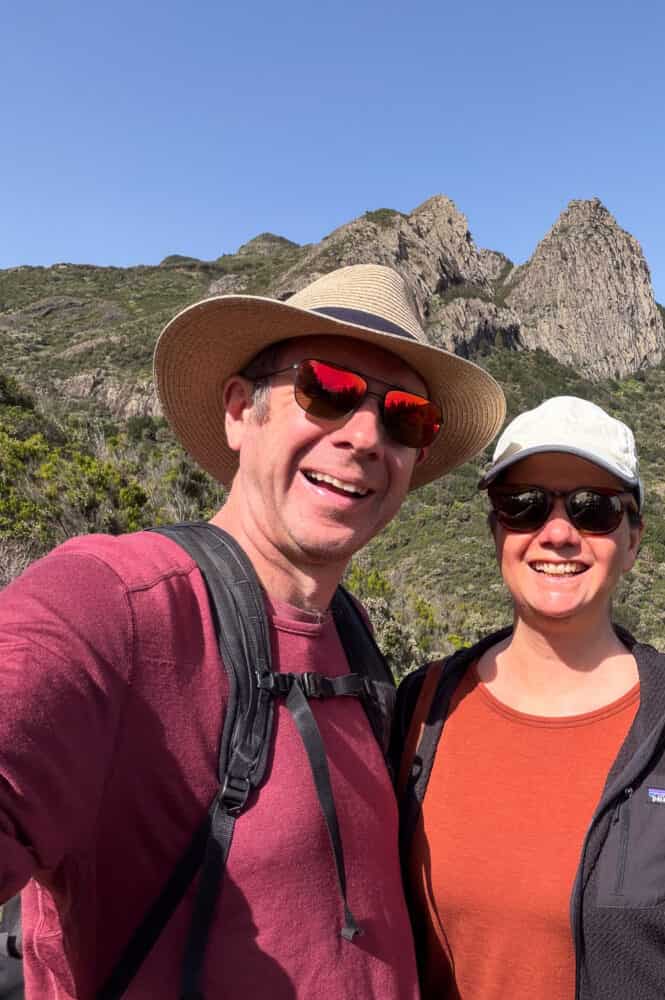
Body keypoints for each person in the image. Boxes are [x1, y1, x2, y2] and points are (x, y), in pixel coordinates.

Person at [0, 264, 506, 998]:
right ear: (241, 409)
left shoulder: (351, 631)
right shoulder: (114, 603)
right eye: (326, 389)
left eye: (403, 417)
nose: (365, 435)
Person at [396, 396, 665, 999]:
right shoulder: (422, 713)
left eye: (592, 510)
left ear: (632, 541)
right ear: (496, 530)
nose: (557, 534)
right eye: (523, 505)